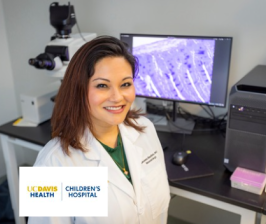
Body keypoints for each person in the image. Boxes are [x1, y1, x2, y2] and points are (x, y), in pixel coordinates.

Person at [28, 36, 170, 224]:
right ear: (79, 90)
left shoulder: (145, 130)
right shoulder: (53, 164)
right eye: (102, 85)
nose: (117, 97)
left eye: (125, 84)